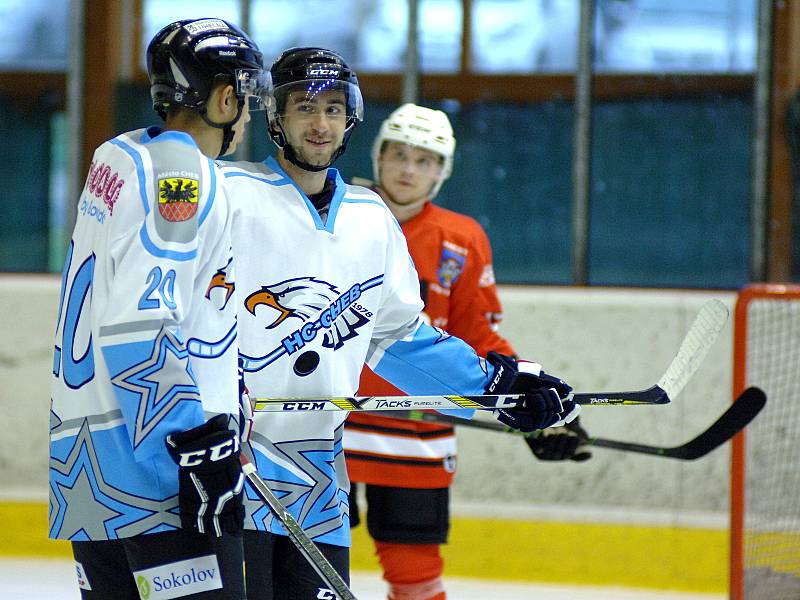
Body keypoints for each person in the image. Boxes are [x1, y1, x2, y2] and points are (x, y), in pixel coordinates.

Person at [220, 47, 579, 600]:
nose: (320, 123)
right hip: (232, 468)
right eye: (305, 108)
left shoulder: (371, 219)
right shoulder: (229, 199)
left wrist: (504, 387)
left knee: (409, 570)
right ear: (275, 116)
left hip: (320, 476)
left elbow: (401, 339)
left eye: (335, 109)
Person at [48, 18, 269, 599]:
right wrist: (195, 447)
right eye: (243, 99)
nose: (247, 116)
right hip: (160, 477)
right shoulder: (183, 176)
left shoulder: (118, 156)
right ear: (224, 97)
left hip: (89, 468)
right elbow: (139, 325)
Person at [343, 103, 592, 600]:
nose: (409, 170)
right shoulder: (338, 216)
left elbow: (480, 341)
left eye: (425, 160)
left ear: (443, 171)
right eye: (398, 155)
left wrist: (534, 403)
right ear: (378, 157)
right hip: (326, 425)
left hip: (416, 431)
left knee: (414, 572)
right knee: (303, 568)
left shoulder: (461, 238)